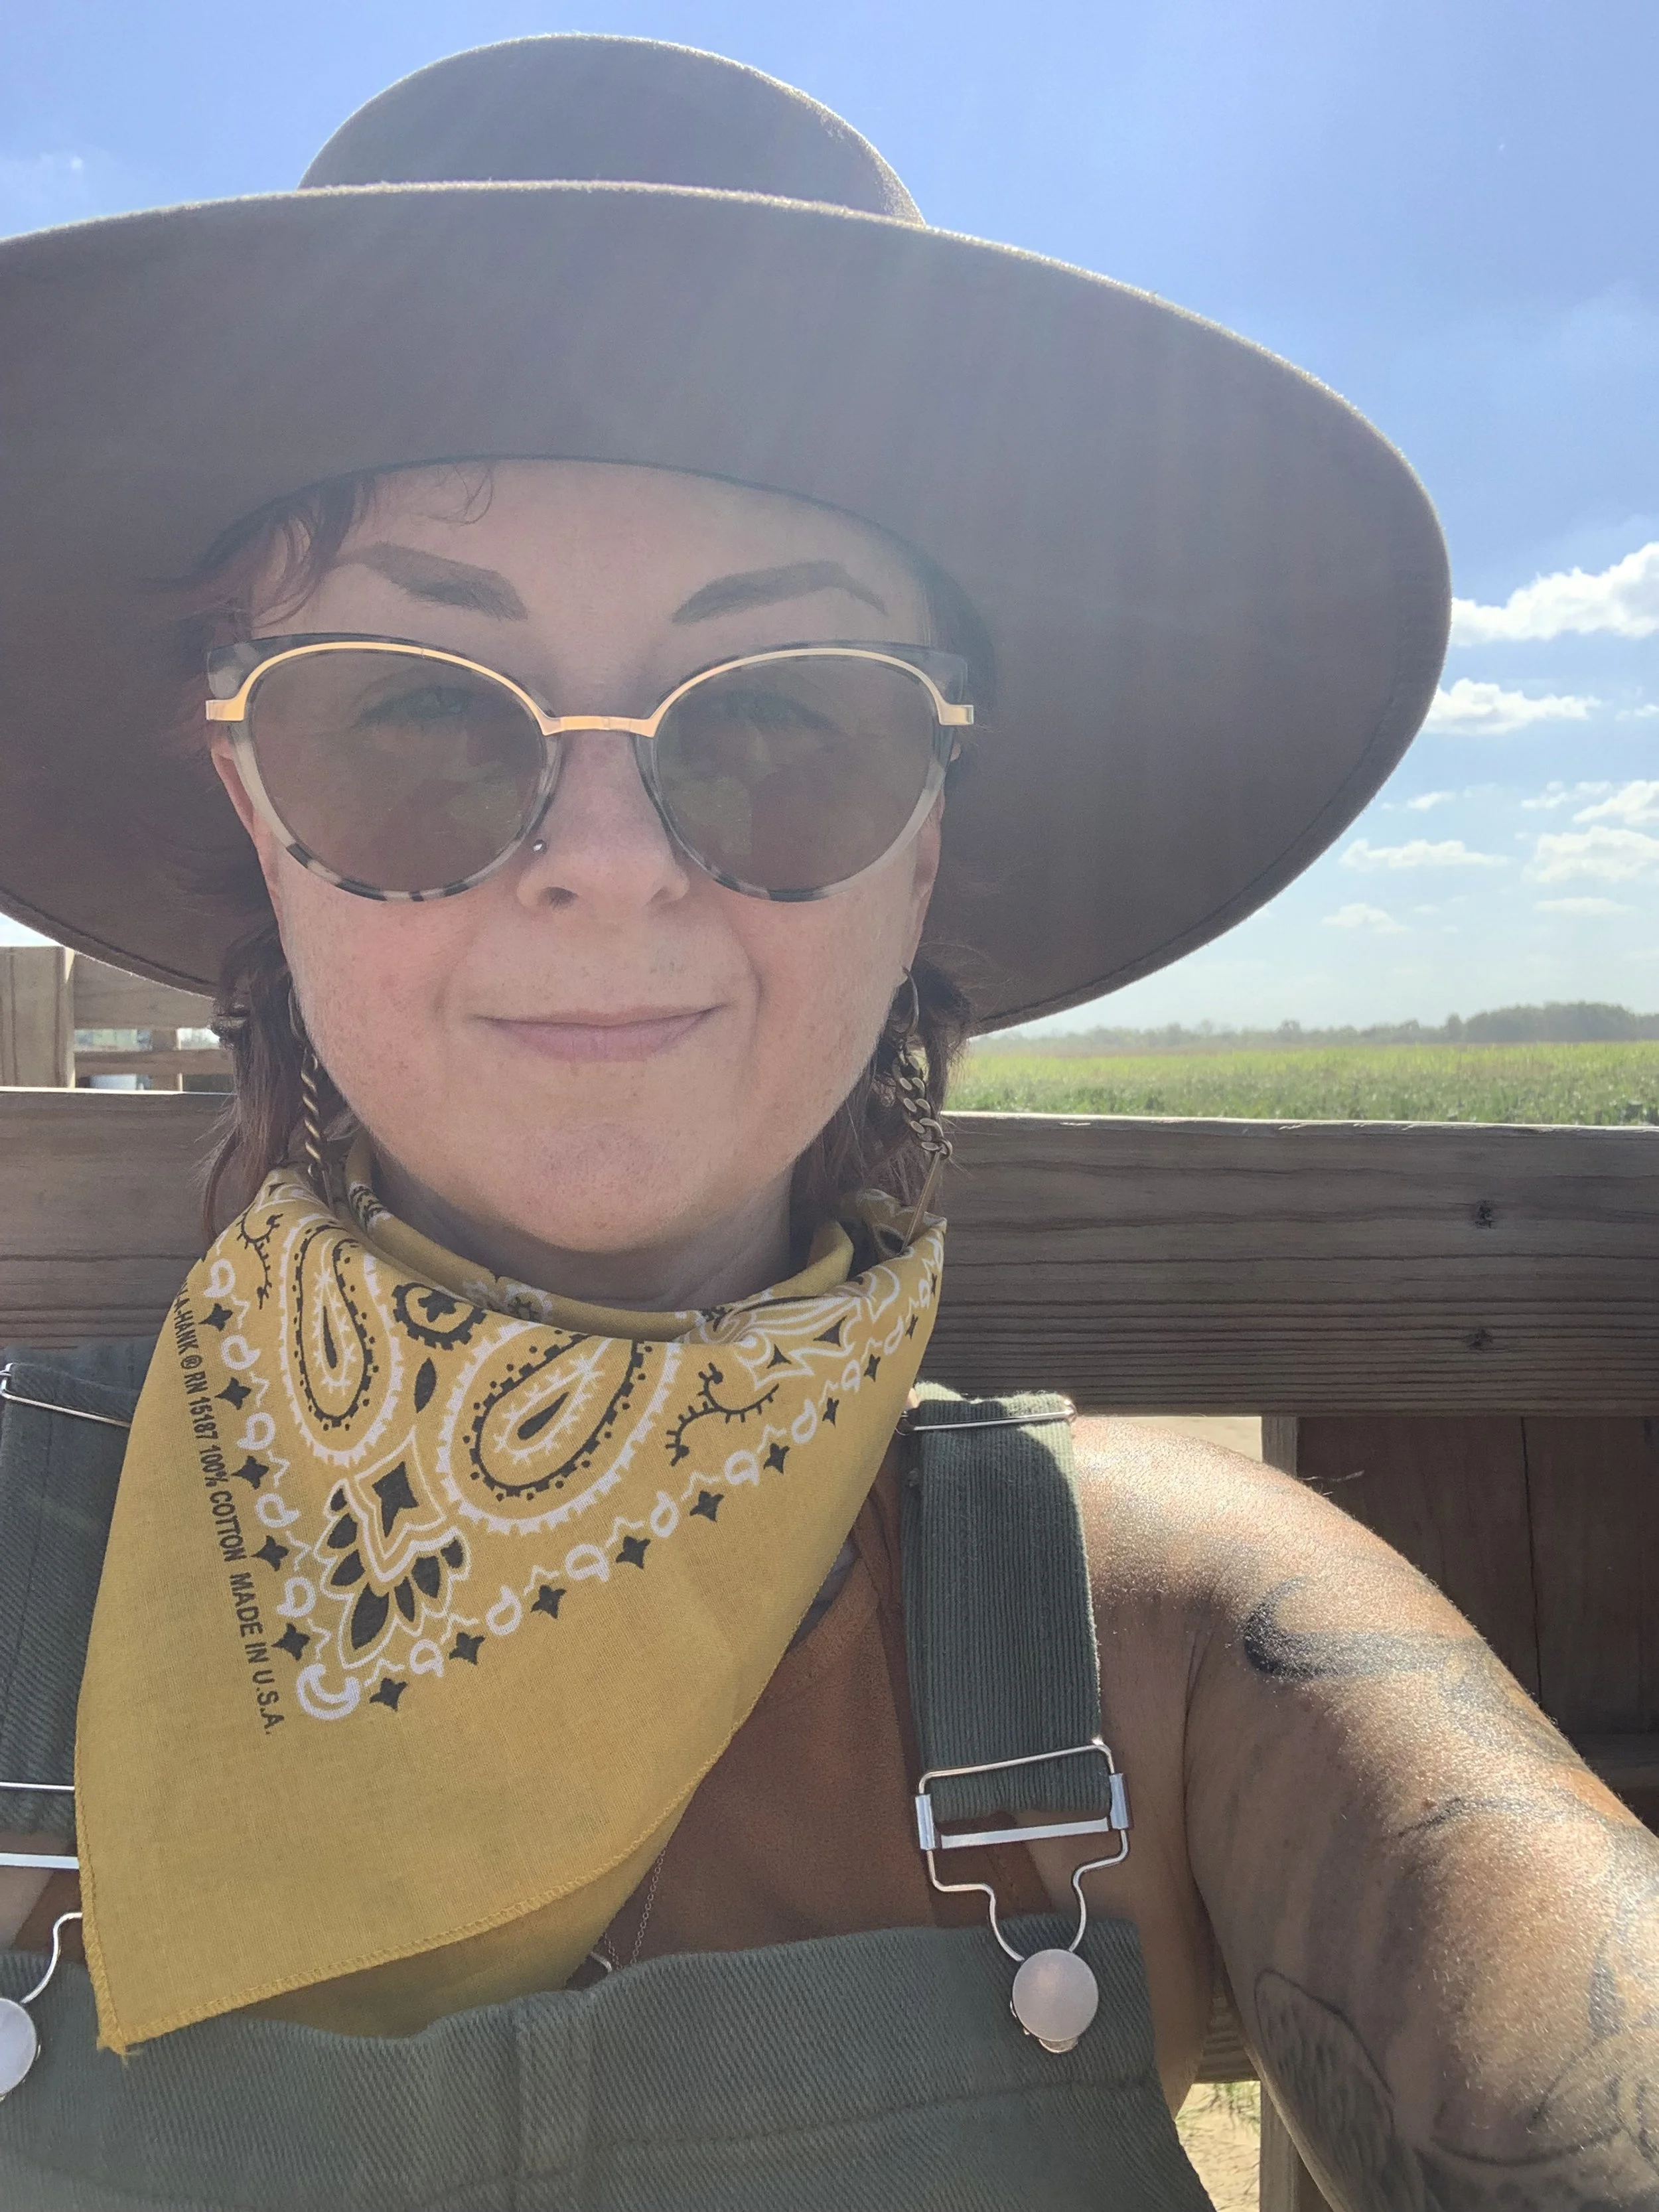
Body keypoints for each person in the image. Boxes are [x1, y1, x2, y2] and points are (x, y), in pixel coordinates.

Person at [0, 34, 1653, 2212]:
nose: (605, 859)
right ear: (252, 797)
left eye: (779, 717)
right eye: (411, 713)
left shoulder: (1159, 1627)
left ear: (928, 834)